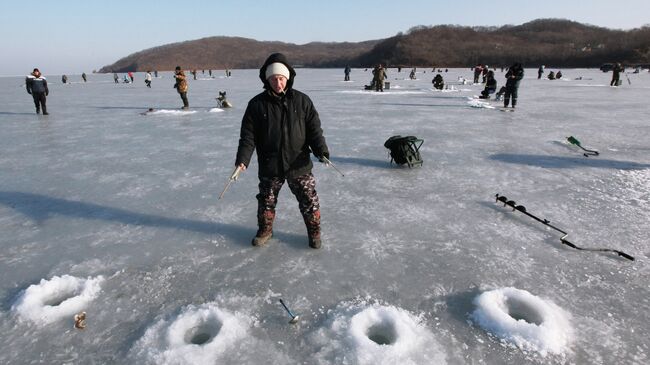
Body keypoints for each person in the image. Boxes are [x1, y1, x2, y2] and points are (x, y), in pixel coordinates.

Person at [234, 53, 330, 249]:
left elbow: (314, 130)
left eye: (281, 78)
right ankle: (265, 231)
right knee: (266, 201)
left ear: (287, 78)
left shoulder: (303, 101)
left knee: (309, 200)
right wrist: (242, 160)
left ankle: (314, 232)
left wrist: (322, 151)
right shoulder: (256, 104)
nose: (277, 83)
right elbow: (248, 137)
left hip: (299, 163)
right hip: (271, 164)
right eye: (273, 79)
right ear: (267, 80)